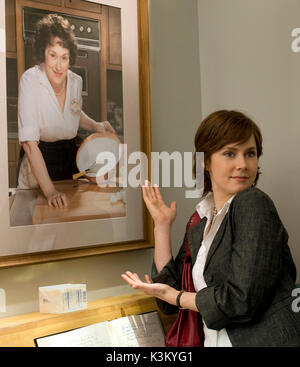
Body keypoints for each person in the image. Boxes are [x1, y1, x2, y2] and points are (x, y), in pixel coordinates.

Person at [121, 110, 300, 347]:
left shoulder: (253, 204)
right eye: (229, 153)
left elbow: (240, 300)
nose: (243, 164)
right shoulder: (202, 220)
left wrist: (175, 297)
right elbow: (169, 301)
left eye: (250, 154)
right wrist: (162, 227)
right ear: (205, 161)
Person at [17, 13, 116, 208]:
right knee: (39, 230)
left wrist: (97, 126)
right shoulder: (30, 81)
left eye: (64, 57)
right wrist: (50, 191)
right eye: (52, 55)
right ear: (43, 53)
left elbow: (74, 113)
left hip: (68, 158)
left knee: (69, 218)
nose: (58, 65)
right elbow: (29, 144)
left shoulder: (75, 82)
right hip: (38, 163)